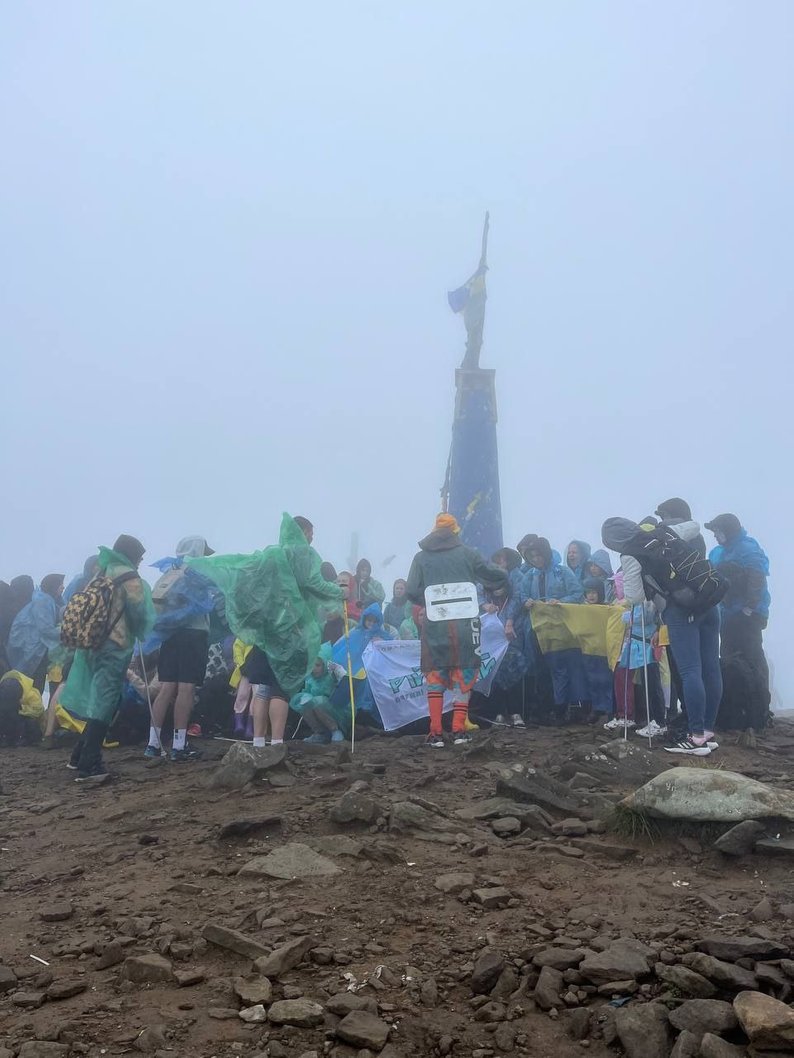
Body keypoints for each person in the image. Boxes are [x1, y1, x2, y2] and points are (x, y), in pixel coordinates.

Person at [617, 500, 722, 756]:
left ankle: (695, 737)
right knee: (711, 667)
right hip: (710, 602)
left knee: (689, 671)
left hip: (680, 609)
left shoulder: (633, 550)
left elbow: (634, 597)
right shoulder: (687, 532)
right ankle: (707, 731)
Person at [406, 513, 508, 747]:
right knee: (464, 671)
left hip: (435, 625)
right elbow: (493, 575)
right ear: (455, 531)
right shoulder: (468, 554)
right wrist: (503, 574)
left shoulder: (421, 558)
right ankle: (459, 729)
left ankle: (435, 733)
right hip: (465, 624)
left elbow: (411, 590)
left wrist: (434, 598)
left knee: (435, 673)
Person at [60, 535, 155, 782]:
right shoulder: (130, 578)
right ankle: (89, 765)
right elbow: (139, 615)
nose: (141, 561)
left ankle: (79, 755)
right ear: (133, 555)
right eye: (140, 556)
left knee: (101, 698)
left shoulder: (102, 571)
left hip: (92, 643)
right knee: (106, 700)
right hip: (115, 644)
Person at [145, 536, 216, 762]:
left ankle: (153, 744)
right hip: (193, 634)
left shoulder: (171, 570)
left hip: (170, 634)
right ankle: (178, 745)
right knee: (186, 688)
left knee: (166, 688)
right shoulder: (196, 572)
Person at [705, 513, 771, 730]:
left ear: (729, 530)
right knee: (729, 658)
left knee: (752, 658)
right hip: (726, 614)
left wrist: (749, 608)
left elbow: (757, 579)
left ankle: (760, 710)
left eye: (718, 531)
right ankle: (736, 708)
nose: (715, 535)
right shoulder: (717, 552)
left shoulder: (748, 549)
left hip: (748, 616)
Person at [7, 573, 65, 691]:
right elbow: (45, 629)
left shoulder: (43, 598)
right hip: (34, 649)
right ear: (53, 587)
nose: (63, 588)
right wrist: (66, 631)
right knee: (35, 686)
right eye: (60, 585)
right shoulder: (44, 601)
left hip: (32, 647)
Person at [290, 645, 344, 743]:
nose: (314, 669)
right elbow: (307, 692)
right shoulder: (310, 679)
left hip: (335, 711)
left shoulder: (332, 676)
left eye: (318, 665)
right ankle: (319, 733)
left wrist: (339, 674)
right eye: (312, 665)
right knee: (303, 701)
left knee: (318, 702)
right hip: (317, 711)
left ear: (325, 664)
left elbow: (344, 686)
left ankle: (335, 730)